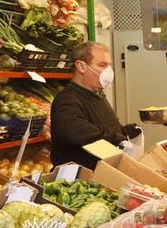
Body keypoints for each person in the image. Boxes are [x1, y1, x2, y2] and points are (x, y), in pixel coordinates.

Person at [50, 41, 141, 170]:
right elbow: (77, 132)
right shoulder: (67, 99)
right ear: (81, 67)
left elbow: (101, 126)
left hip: (104, 174)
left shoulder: (98, 96)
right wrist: (116, 138)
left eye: (109, 66)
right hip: (79, 179)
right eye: (102, 65)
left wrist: (125, 132)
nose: (108, 72)